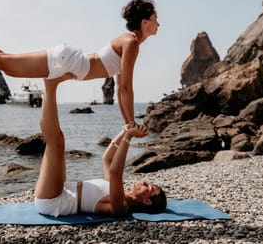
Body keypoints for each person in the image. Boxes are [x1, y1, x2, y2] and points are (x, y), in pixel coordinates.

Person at [0, 0, 160, 127]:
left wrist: (129, 123)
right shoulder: (131, 43)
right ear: (145, 22)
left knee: (6, 61)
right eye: (155, 19)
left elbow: (120, 88)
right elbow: (125, 87)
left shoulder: (128, 41)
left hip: (70, 61)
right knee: (3, 62)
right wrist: (129, 123)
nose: (158, 24)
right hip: (68, 63)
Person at [34, 73, 166, 217]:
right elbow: (107, 159)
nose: (144, 182)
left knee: (56, 142)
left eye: (149, 187)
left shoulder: (122, 206)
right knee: (59, 142)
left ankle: (50, 85)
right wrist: (124, 131)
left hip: (53, 202)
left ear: (147, 202)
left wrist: (128, 137)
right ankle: (50, 85)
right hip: (63, 189)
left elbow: (115, 172)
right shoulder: (118, 191)